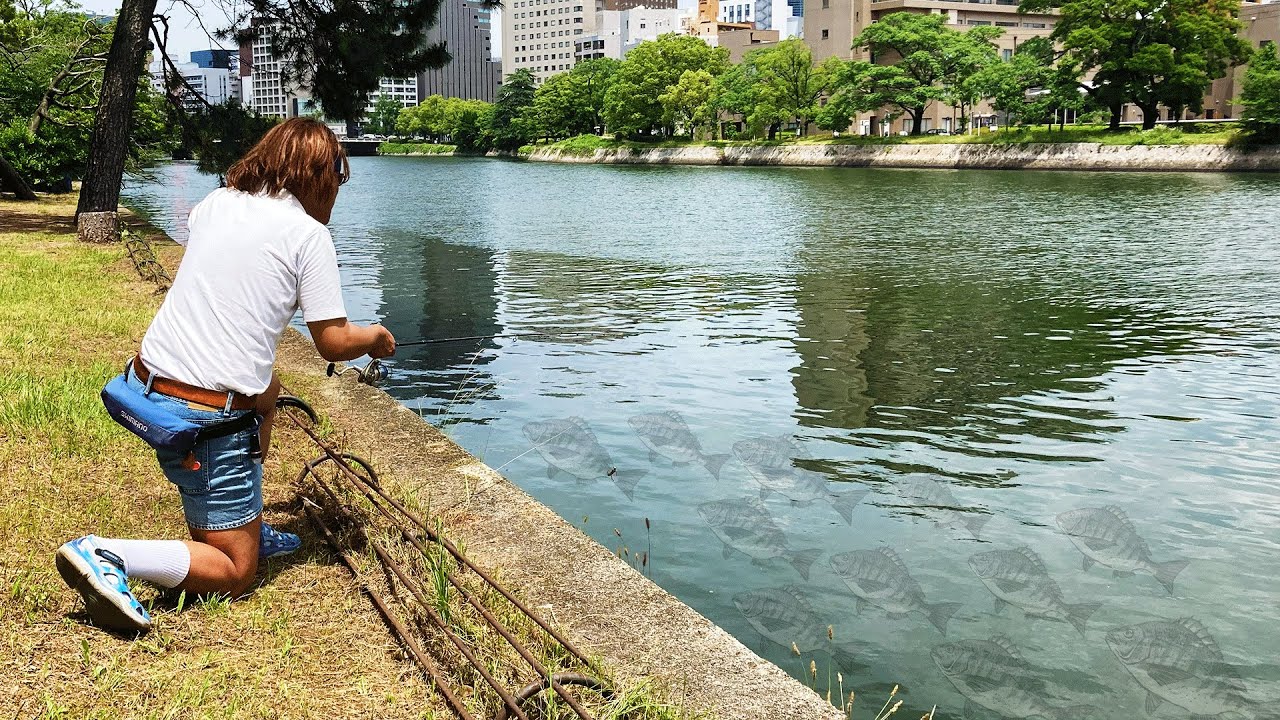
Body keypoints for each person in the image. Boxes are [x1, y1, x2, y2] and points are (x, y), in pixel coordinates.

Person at [55, 118, 396, 634]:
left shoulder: (215, 204)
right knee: (237, 572)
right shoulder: (309, 235)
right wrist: (376, 337)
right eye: (336, 179)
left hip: (148, 381)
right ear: (321, 177)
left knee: (269, 390)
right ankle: (105, 554)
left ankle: (245, 526)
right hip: (201, 413)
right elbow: (333, 341)